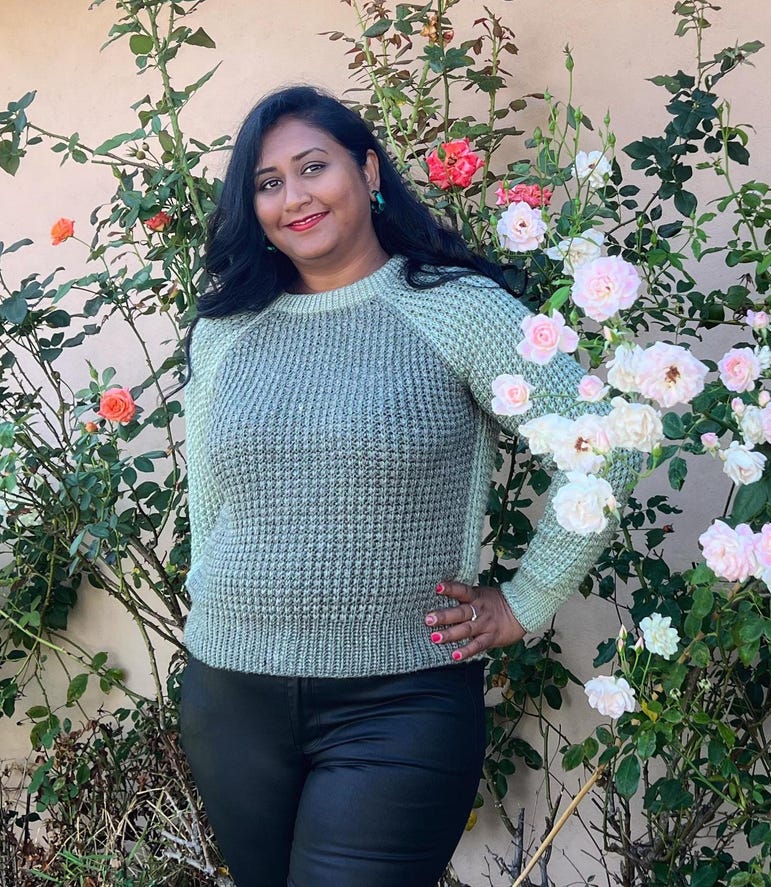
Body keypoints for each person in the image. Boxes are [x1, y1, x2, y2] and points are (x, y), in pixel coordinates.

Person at [175, 84, 634, 887]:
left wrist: (524, 601)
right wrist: (209, 602)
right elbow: (210, 496)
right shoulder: (225, 333)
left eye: (313, 167)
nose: (294, 196)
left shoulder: (455, 310)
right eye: (268, 182)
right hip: (231, 696)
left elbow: (608, 447)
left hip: (397, 706)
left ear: (368, 168)